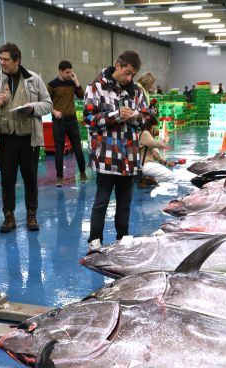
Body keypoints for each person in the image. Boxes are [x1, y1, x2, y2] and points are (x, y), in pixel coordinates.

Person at [0, 42, 52, 233]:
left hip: (29, 138)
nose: (2, 63)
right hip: (5, 138)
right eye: (0, 59)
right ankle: (8, 216)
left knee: (30, 179)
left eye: (6, 59)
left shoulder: (33, 79)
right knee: (7, 180)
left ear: (17, 60)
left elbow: (48, 104)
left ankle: (31, 215)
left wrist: (33, 108)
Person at [84, 50, 149, 250]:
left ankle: (123, 240)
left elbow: (147, 117)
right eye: (127, 72)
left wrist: (136, 117)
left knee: (125, 202)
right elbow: (89, 120)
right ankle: (94, 240)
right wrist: (115, 115)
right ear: (117, 65)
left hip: (129, 155)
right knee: (101, 201)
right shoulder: (96, 87)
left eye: (133, 75)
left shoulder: (136, 91)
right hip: (106, 155)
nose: (129, 78)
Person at [46, 60, 87, 187]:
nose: (69, 74)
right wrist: (54, 111)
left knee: (78, 149)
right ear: (60, 71)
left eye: (71, 72)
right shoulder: (52, 85)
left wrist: (76, 81)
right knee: (59, 150)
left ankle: (83, 173)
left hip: (72, 120)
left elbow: (82, 95)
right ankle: (59, 177)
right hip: (59, 121)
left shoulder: (71, 83)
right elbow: (45, 102)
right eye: (67, 72)